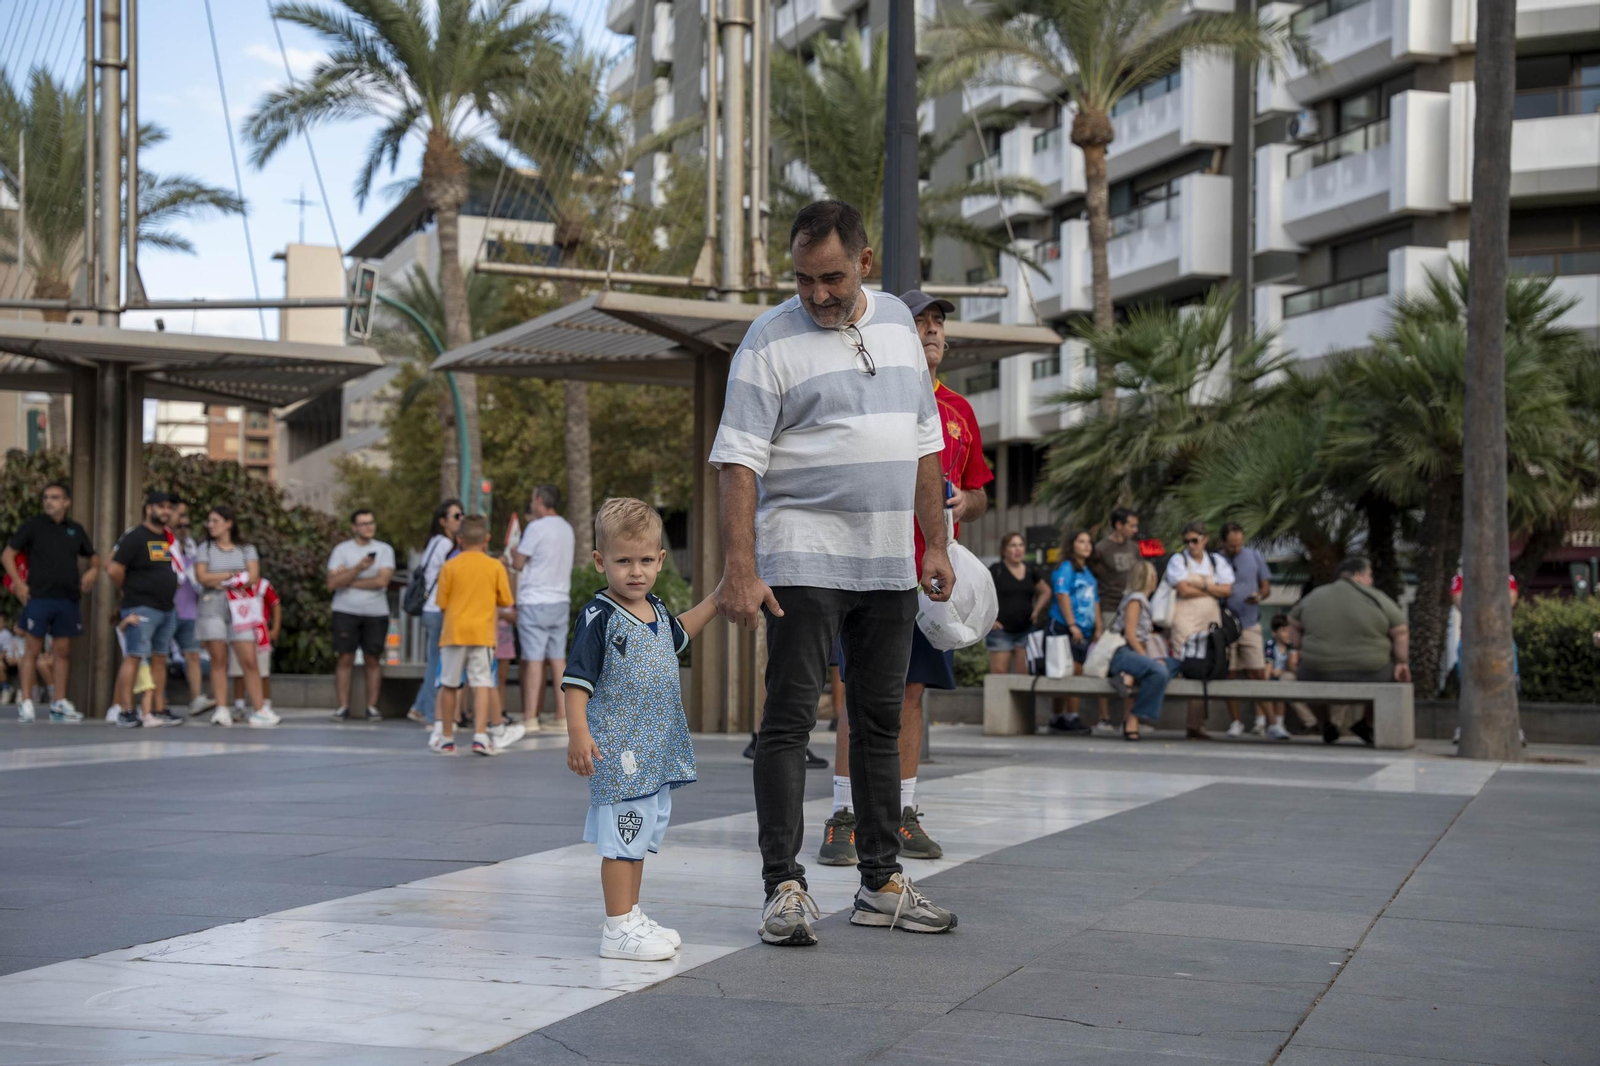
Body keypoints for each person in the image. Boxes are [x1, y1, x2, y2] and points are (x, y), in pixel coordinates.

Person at [712, 199, 958, 946]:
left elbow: (923, 447)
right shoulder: (767, 340)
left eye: (831, 278)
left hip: (887, 562)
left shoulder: (897, 330)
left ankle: (881, 882)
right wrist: (742, 570)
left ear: (865, 264)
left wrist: (936, 544)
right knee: (788, 724)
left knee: (879, 724)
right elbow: (738, 460)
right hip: (801, 557)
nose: (816, 294)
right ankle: (782, 887)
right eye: (803, 279)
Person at [823, 289, 992, 867]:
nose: (932, 332)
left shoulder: (961, 411)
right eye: (920, 323)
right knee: (859, 691)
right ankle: (845, 816)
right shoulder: (875, 393)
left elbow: (980, 494)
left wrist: (963, 503)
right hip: (870, 562)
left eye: (939, 323)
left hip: (931, 575)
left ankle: (903, 812)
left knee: (912, 693)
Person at [563, 498, 719, 961]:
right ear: (600, 561)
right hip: (619, 752)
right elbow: (577, 681)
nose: (636, 571)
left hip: (652, 753)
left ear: (660, 560)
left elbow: (679, 633)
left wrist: (715, 600)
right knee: (621, 839)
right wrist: (577, 733)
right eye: (623, 561)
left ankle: (630, 915)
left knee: (637, 839)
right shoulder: (600, 618)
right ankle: (616, 929)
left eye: (645, 560)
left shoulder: (653, 607)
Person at [1287, 556, 1411, 747]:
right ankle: (1366, 723)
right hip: (1371, 672)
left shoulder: (1315, 595)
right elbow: (1400, 630)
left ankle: (1325, 723)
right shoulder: (1376, 597)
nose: (1371, 581)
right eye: (1369, 575)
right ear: (1358, 575)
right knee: (1393, 676)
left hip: (1317, 671)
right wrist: (1402, 662)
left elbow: (1293, 621)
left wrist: (1298, 648)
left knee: (1303, 676)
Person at [3, 481, 98, 722]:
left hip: (67, 599)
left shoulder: (75, 529)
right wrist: (19, 584)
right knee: (32, 650)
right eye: (46, 497)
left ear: (66, 502)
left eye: (55, 497)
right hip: (39, 598)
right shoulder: (33, 527)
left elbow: (94, 558)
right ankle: (26, 702)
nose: (49, 501)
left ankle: (59, 703)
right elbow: (7, 555)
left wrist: (93, 571)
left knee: (62, 652)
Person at [428, 515, 521, 756]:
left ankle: (447, 738)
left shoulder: (450, 566)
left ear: (460, 539)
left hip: (453, 634)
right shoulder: (494, 566)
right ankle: (481, 737)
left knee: (449, 685)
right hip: (482, 635)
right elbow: (505, 600)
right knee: (482, 684)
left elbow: (442, 603)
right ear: (487, 539)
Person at [106, 492, 180, 727]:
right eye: (160, 506)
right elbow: (114, 569)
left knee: (160, 658)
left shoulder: (167, 538)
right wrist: (130, 590)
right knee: (134, 656)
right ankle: (126, 710)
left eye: (169, 507)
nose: (165, 511)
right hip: (141, 607)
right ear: (148, 509)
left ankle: (158, 709)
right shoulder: (135, 536)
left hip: (166, 608)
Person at [511, 485, 576, 729]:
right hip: (560, 599)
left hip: (535, 600)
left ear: (539, 500)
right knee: (558, 659)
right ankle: (562, 715)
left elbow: (518, 564)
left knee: (534, 660)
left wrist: (515, 553)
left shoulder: (535, 528)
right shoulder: (567, 528)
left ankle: (530, 717)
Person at [1165, 520, 1235, 739]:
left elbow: (1227, 590)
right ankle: (1187, 722)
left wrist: (1200, 585)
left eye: (1194, 540)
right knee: (1188, 665)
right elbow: (1183, 590)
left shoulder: (1216, 560)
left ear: (1205, 539)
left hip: (1210, 619)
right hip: (1185, 618)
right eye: (1187, 541)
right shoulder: (1178, 560)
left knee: (1208, 666)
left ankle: (1196, 724)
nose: (1191, 545)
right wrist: (1211, 589)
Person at [327, 509, 396, 721]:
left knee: (373, 658)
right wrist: (359, 567)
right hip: (345, 610)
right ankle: (342, 706)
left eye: (371, 522)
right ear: (354, 527)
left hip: (375, 612)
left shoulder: (384, 550)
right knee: (344, 656)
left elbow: (382, 581)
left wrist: (349, 580)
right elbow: (332, 583)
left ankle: (372, 706)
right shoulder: (342, 550)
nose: (369, 527)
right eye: (363, 523)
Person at [1219, 522, 1282, 738]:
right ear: (1223, 543)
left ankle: (1272, 722)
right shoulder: (1216, 559)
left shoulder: (1254, 556)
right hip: (1225, 625)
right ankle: (1235, 721)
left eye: (1239, 544)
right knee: (1230, 673)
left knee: (1258, 672)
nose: (1236, 549)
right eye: (1232, 546)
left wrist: (1259, 596)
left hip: (1250, 623)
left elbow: (1266, 587)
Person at [1107, 561, 1181, 740]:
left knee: (1176, 664)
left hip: (1136, 653)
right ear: (1148, 578)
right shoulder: (1135, 600)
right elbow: (1130, 635)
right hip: (1124, 652)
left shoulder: (1144, 601)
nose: (1155, 578)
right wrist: (1146, 659)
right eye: (1153, 575)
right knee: (1160, 671)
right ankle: (1134, 717)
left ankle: (1128, 676)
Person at [1449, 570, 1522, 745]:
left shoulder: (1505, 576)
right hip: (1469, 639)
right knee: (1465, 681)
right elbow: (1462, 604)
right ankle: (1464, 726)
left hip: (1500, 639)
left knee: (1511, 679)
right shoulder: (1460, 578)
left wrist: (1479, 603)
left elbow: (1508, 602)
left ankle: (1513, 727)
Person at [407, 499, 463, 726]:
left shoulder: (436, 542)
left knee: (436, 661)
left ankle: (419, 707)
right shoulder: (443, 544)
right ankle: (431, 714)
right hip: (438, 609)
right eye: (456, 516)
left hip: (432, 609)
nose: (461, 520)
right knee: (437, 664)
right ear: (443, 522)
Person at [1046, 529, 1101, 735]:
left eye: (1089, 542)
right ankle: (1063, 716)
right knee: (1066, 671)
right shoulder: (1066, 568)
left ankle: (1068, 716)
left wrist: (1098, 628)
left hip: (1084, 629)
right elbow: (1062, 595)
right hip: (1064, 626)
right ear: (1072, 545)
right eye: (1081, 541)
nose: (1087, 545)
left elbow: (1095, 600)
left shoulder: (1088, 572)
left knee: (1077, 670)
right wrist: (1071, 625)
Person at [168, 504, 214, 719]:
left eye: (187, 524)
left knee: (192, 655)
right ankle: (159, 702)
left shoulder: (193, 548)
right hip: (167, 609)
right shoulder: (164, 545)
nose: (184, 528)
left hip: (189, 612)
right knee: (157, 656)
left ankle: (196, 698)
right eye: (180, 524)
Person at [987, 532, 1049, 675]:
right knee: (999, 674)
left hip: (1025, 630)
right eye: (1013, 545)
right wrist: (989, 619)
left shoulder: (1030, 569)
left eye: (1020, 545)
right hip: (1000, 631)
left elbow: (1046, 591)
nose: (1018, 549)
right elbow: (979, 595)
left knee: (1023, 675)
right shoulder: (996, 570)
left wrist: (1036, 611)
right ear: (1004, 550)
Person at [228, 577, 281, 718]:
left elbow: (275, 603)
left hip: (259, 632)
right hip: (238, 629)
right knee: (237, 671)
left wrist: (275, 629)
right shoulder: (231, 583)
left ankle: (265, 705)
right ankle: (239, 706)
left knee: (262, 672)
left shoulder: (263, 585)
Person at [1267, 613, 1317, 733]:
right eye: (1284, 631)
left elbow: (1293, 666)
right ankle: (1308, 722)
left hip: (1313, 672)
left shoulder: (1296, 644)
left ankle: (1326, 724)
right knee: (1284, 684)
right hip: (1290, 676)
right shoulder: (1273, 645)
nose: (1288, 634)